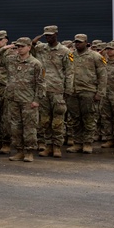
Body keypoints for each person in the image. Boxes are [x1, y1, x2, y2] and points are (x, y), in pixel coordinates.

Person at [0, 37, 44, 163]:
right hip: (13, 99)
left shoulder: (35, 63)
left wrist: (37, 100)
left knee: (29, 127)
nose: (19, 49)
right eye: (18, 46)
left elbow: (41, 83)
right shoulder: (11, 60)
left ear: (29, 47)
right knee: (15, 127)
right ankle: (19, 151)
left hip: (28, 100)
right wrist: (4, 48)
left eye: (22, 46)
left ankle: (29, 152)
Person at [31, 25, 73, 158]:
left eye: (50, 35)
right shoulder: (41, 48)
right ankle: (48, 145)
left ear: (56, 34)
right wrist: (33, 42)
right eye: (46, 35)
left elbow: (70, 72)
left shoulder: (65, 51)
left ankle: (57, 146)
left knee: (58, 121)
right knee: (44, 120)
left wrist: (68, 90)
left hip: (58, 90)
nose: (48, 37)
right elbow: (29, 52)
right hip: (43, 90)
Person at [67, 33, 107, 154]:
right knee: (75, 119)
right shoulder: (70, 55)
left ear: (86, 43)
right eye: (76, 42)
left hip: (88, 91)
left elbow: (103, 75)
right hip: (73, 91)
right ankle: (77, 143)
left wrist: (100, 92)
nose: (78, 44)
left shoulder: (95, 56)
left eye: (80, 42)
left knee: (89, 118)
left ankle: (87, 143)